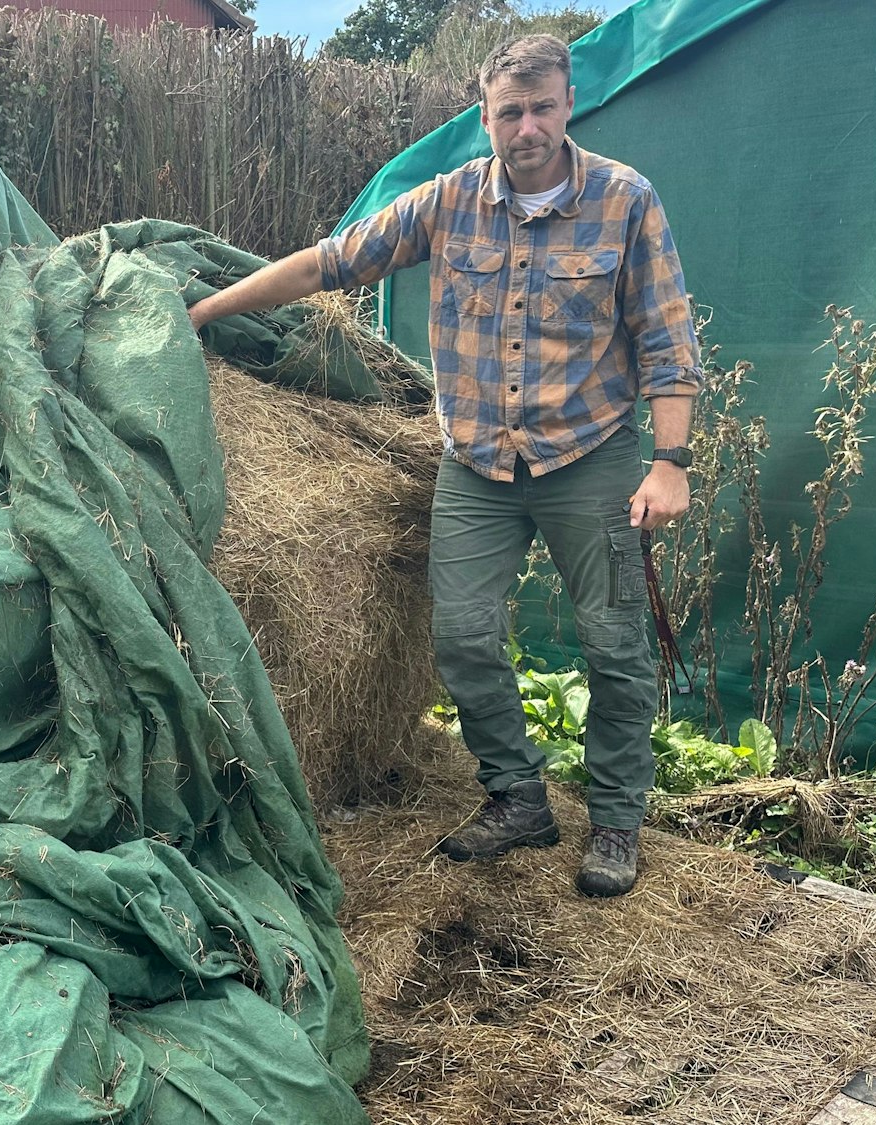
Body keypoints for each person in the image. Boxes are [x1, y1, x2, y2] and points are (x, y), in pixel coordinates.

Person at [188, 34, 700, 897]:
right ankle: (518, 796)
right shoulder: (449, 201)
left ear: (569, 103)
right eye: (510, 112)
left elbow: (666, 336)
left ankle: (615, 819)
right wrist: (206, 308)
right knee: (460, 635)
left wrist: (671, 460)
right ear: (485, 116)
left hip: (590, 456)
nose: (527, 126)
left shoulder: (625, 201)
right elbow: (329, 262)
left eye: (542, 107)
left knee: (615, 643)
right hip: (477, 463)